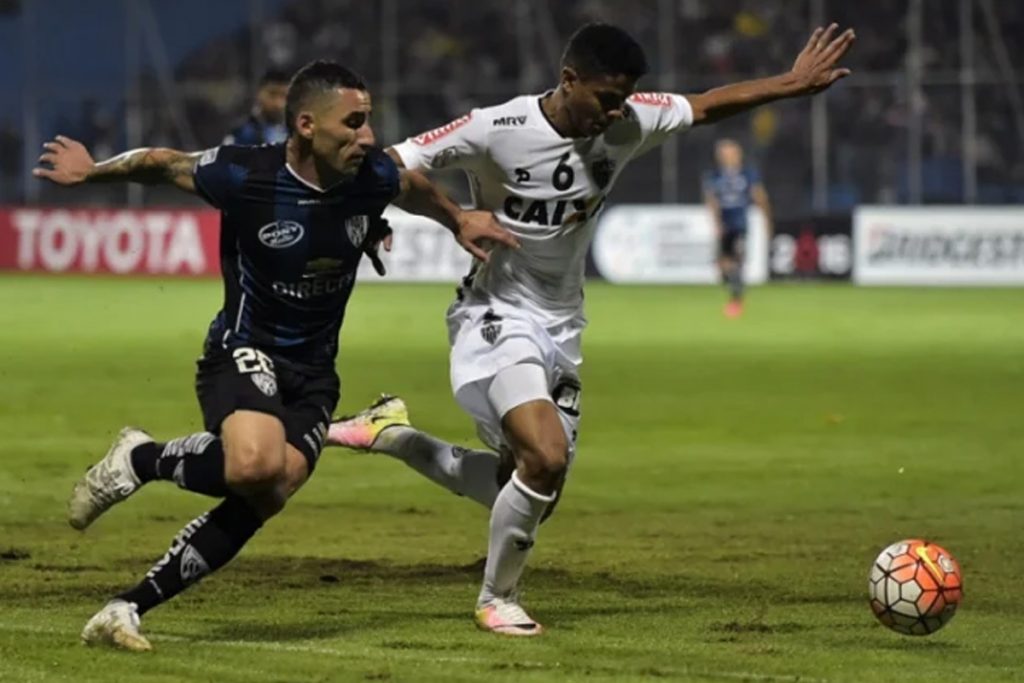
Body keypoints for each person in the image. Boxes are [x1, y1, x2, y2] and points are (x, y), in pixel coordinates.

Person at [328, 22, 855, 636]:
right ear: (569, 80)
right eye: (606, 97)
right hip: (496, 313)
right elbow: (392, 164)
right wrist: (431, 216)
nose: (615, 112)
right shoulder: (495, 128)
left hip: (564, 325)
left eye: (624, 98)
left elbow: (708, 106)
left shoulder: (630, 120)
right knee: (545, 459)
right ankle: (497, 599)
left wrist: (790, 84)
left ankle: (391, 434)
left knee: (520, 483)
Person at [32, 60, 515, 652]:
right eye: (355, 122)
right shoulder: (245, 175)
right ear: (307, 125)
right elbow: (162, 164)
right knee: (254, 468)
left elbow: (409, 186)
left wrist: (457, 218)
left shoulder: (372, 175)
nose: (367, 136)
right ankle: (142, 460)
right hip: (244, 349)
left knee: (272, 488)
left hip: (315, 373)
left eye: (369, 122)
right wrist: (92, 173)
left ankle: (126, 605)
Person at [703, 138, 773, 318]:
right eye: (722, 153)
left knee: (734, 260)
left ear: (737, 154)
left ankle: (736, 300)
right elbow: (711, 200)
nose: (724, 156)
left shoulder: (748, 174)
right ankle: (735, 288)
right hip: (725, 224)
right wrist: (716, 223)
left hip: (739, 223)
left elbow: (760, 197)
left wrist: (766, 219)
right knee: (723, 264)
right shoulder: (714, 175)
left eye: (728, 152)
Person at [223, 69, 290, 145]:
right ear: (258, 93)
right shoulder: (240, 134)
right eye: (272, 94)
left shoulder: (297, 135)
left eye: (283, 95)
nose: (278, 103)